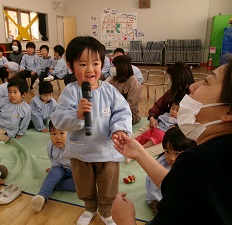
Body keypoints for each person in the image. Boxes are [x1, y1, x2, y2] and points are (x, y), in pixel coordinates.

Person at [111, 57, 232, 225]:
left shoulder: (199, 162)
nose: (193, 86)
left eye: (206, 82)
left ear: (230, 111)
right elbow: (186, 189)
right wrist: (140, 153)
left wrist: (125, 220)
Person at [50, 36, 132, 225]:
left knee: (108, 185)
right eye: (82, 64)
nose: (89, 70)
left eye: (95, 63)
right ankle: (89, 208)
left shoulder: (110, 91)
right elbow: (58, 119)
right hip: (81, 152)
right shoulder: (70, 92)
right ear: (70, 66)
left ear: (102, 64)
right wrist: (77, 115)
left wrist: (119, 130)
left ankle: (105, 211)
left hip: (106, 150)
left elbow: (122, 112)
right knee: (84, 185)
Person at [132, 62, 194, 157]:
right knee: (146, 128)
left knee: (166, 144)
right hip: (163, 124)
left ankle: (141, 153)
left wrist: (176, 129)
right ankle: (128, 141)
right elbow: (158, 106)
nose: (169, 80)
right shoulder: (172, 92)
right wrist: (152, 117)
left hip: (178, 132)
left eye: (170, 78)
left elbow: (193, 124)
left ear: (177, 79)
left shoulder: (193, 96)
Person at [145, 127, 196, 215]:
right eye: (167, 151)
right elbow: (153, 188)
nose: (171, 158)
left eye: (177, 153)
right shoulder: (161, 164)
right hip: (159, 198)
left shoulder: (191, 164)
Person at [31, 121, 75, 212]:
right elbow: (52, 158)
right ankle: (41, 197)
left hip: (75, 170)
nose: (57, 137)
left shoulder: (75, 145)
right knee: (54, 173)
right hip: (60, 167)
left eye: (62, 133)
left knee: (81, 185)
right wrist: (53, 168)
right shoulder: (50, 146)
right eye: (53, 134)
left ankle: (51, 185)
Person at [108, 55, 141, 125]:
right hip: (112, 111)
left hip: (129, 114)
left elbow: (131, 105)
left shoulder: (133, 82)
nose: (112, 68)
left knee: (112, 122)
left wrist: (114, 110)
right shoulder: (112, 80)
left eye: (114, 66)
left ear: (121, 67)